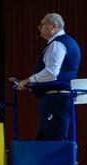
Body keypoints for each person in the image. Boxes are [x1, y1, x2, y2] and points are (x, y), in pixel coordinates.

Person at [11, 12, 81, 141]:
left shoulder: (57, 44)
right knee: (44, 140)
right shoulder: (68, 42)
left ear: (53, 26)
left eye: (42, 24)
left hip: (55, 98)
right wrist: (33, 85)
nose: (39, 28)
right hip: (58, 97)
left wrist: (29, 80)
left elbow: (52, 73)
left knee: (54, 140)